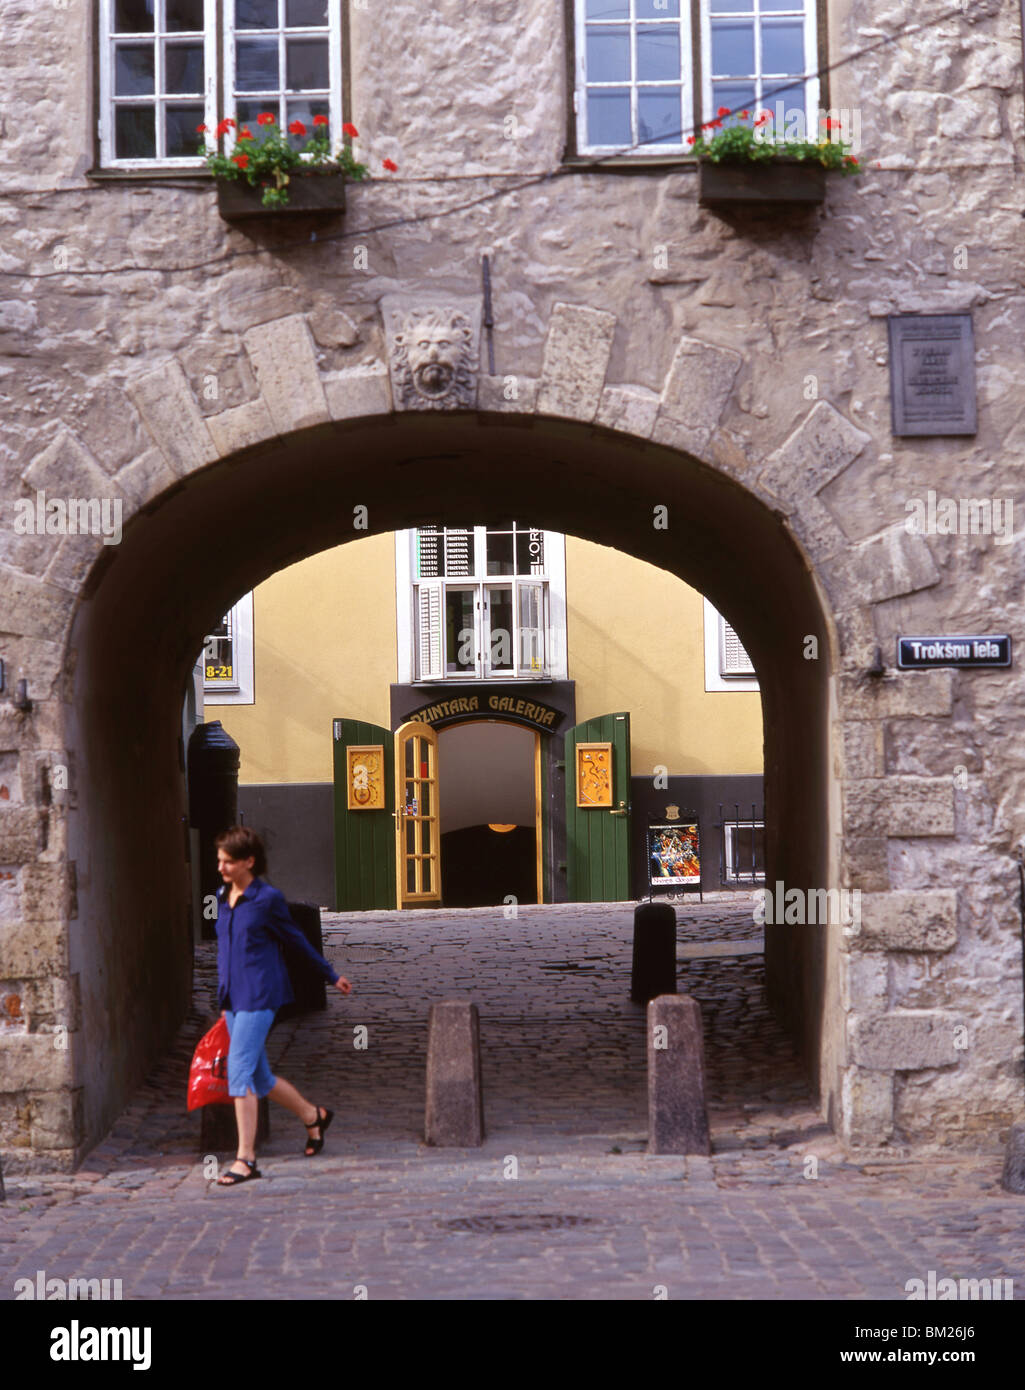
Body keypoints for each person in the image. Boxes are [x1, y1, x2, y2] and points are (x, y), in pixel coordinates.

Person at [211, 825, 351, 1186]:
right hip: (232, 997)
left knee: (238, 1072)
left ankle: (246, 1159)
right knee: (260, 1077)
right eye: (219, 861)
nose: (221, 868)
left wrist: (330, 975)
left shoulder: (267, 899)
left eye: (228, 862)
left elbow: (296, 941)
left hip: (260, 995)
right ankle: (313, 1115)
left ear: (249, 861)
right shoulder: (221, 896)